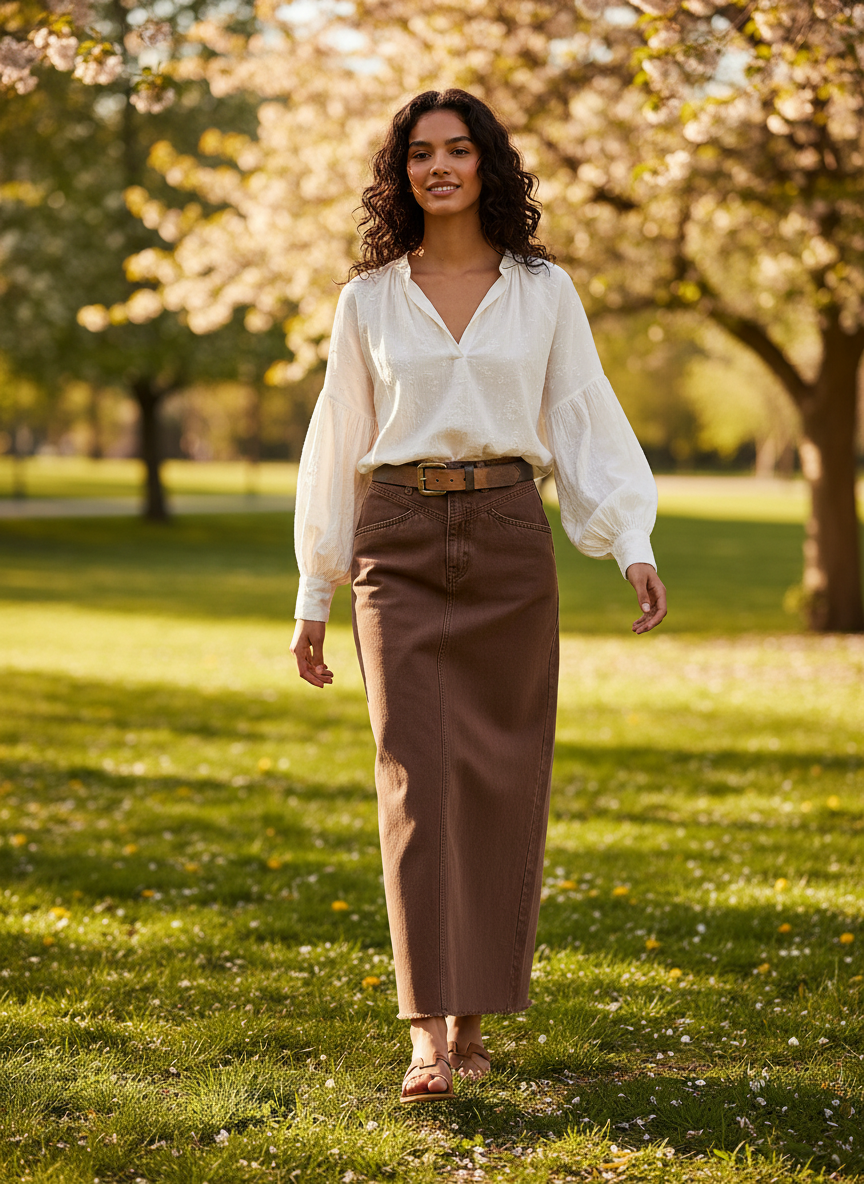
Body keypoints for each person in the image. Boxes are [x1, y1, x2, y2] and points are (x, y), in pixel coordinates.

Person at [290, 88, 667, 1104]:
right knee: (414, 775)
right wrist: (312, 593)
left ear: (487, 165)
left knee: (501, 772)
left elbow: (584, 414)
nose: (440, 166)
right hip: (398, 538)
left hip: (506, 532)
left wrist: (628, 539)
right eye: (422, 152)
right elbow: (336, 441)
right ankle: (425, 1033)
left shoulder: (544, 290)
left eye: (459, 149)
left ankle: (474, 1021)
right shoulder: (367, 299)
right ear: (400, 171)